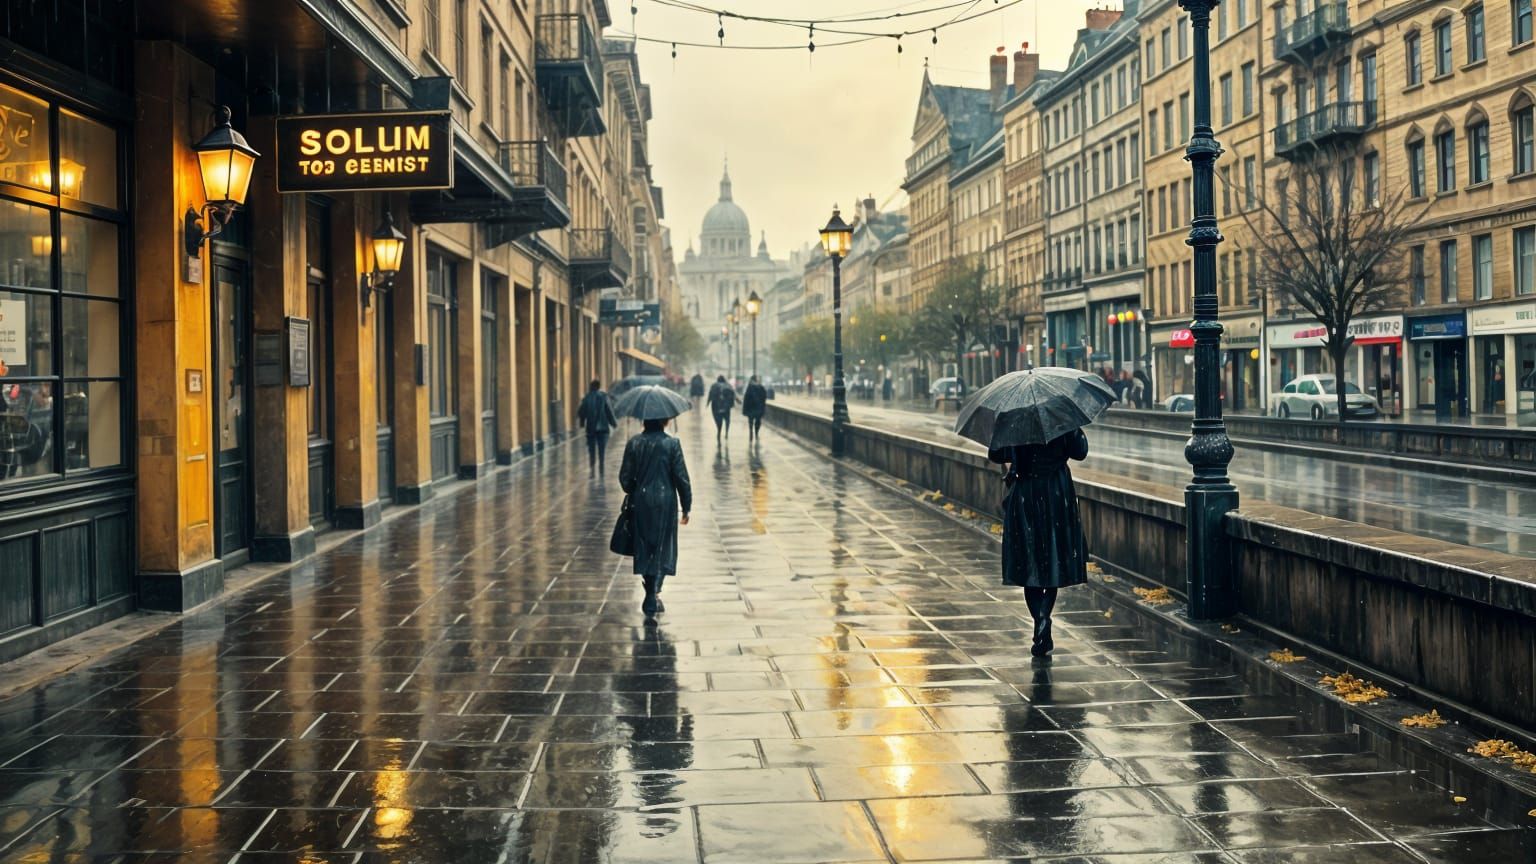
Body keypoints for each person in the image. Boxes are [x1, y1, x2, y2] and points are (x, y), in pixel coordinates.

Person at [988, 428, 1090, 657]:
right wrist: (1073, 430)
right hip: (1056, 493)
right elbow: (1081, 452)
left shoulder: (1017, 423)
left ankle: (1040, 620)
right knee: (1052, 557)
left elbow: (995, 455)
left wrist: (1001, 432)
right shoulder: (1062, 423)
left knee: (1028, 560)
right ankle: (1045, 614)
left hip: (1025, 494)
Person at [619, 417, 692, 619]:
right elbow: (681, 478)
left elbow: (625, 478)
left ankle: (650, 590)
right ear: (665, 421)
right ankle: (654, 592)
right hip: (666, 502)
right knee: (661, 546)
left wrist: (636, 489)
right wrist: (686, 506)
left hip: (641, 501)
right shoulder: (672, 444)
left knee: (644, 545)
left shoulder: (634, 443)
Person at [577, 380, 618, 477]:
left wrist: (582, 423)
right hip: (603, 428)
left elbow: (581, 412)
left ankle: (592, 469)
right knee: (601, 450)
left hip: (591, 428)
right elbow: (609, 411)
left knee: (592, 450)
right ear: (599, 387)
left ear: (591, 387)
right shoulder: (604, 397)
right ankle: (601, 468)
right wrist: (613, 423)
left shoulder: (587, 397)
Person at [706, 374, 736, 443]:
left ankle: (719, 431)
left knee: (718, 420)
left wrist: (707, 403)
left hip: (716, 406)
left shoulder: (714, 386)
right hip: (726, 407)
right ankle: (726, 433)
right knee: (727, 420)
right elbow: (733, 395)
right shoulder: (728, 386)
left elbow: (710, 395)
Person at [741, 376, 768, 440]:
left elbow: (746, 398)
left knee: (750, 421)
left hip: (750, 408)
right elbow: (764, 397)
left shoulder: (749, 387)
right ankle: (756, 433)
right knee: (758, 421)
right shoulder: (761, 387)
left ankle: (751, 431)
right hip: (758, 408)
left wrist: (745, 409)